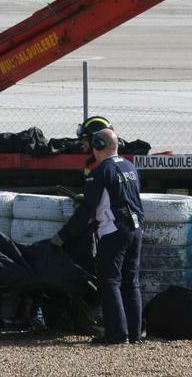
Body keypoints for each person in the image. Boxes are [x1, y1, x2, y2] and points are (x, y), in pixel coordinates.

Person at [51, 128, 144, 345]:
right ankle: (135, 334)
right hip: (136, 229)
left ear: (99, 147)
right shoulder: (130, 166)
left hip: (114, 231)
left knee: (109, 281)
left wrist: (61, 237)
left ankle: (117, 335)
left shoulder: (100, 172)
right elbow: (120, 195)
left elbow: (86, 213)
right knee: (131, 282)